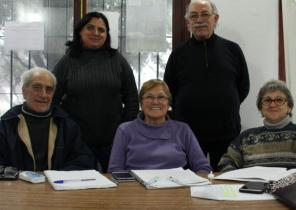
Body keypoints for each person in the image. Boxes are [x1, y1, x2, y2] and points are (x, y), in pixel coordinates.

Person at [163, 0, 250, 171]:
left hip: (226, 131)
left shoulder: (232, 49)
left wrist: (224, 104)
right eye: (194, 16)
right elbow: (169, 90)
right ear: (188, 22)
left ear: (215, 19)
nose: (199, 20)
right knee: (189, 183)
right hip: (188, 133)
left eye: (205, 14)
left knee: (226, 181)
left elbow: (243, 87)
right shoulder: (178, 53)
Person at [52, 12, 139, 172]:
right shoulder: (67, 62)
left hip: (114, 142)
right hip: (76, 144)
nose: (96, 33)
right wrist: (67, 129)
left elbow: (132, 99)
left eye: (101, 29)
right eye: (90, 28)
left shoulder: (117, 60)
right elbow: (52, 101)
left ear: (107, 35)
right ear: (80, 31)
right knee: (81, 192)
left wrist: (124, 129)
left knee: (114, 191)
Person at [0, 67, 94, 171]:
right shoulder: (6, 125)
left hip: (57, 184)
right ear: (24, 91)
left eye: (49, 89)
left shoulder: (67, 125)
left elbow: (83, 159)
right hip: (18, 185)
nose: (43, 95)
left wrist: (58, 177)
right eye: (37, 87)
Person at [108, 79, 211, 173]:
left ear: (168, 103)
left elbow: (202, 167)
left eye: (161, 97)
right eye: (149, 97)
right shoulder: (124, 130)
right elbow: (115, 170)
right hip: (136, 189)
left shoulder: (183, 130)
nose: (155, 102)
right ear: (141, 103)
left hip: (177, 189)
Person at [218, 80, 296, 172]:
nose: (272, 104)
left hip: (295, 189)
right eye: (267, 100)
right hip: (251, 189)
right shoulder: (245, 138)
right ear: (260, 108)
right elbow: (225, 164)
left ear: (289, 107)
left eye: (279, 100)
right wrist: (238, 185)